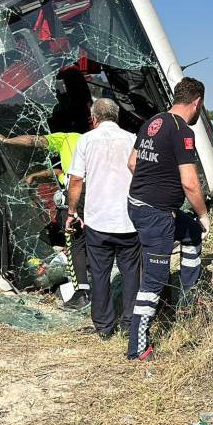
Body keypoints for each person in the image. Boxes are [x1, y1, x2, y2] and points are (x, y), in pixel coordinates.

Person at [126, 77, 211, 361]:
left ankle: (187, 299)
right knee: (155, 277)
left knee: (190, 233)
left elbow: (133, 163)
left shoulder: (154, 122)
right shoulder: (182, 130)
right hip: (156, 214)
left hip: (138, 205)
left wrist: (154, 184)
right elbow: (190, 182)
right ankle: (138, 347)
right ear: (196, 102)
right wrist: (203, 214)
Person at [65, 99, 140, 339]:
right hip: (129, 220)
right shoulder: (132, 139)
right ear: (116, 117)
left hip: (98, 221)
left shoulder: (86, 140)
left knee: (99, 274)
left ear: (94, 118)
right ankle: (129, 324)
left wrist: (71, 213)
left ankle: (104, 327)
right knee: (131, 273)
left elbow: (76, 180)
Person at [0, 131, 90, 309]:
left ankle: (81, 294)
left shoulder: (66, 138)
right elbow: (61, 170)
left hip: (77, 197)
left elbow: (33, 140)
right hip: (103, 197)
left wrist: (6, 140)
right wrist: (37, 175)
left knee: (76, 245)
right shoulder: (100, 140)